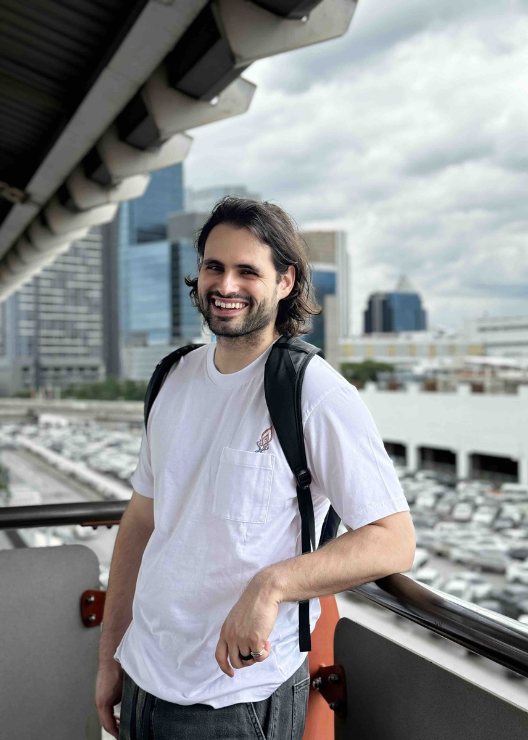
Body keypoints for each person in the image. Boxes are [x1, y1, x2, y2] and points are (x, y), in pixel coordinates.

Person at [95, 197, 415, 739]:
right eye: (214, 266)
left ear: (285, 282)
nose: (226, 285)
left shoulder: (313, 391)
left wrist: (272, 586)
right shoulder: (172, 378)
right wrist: (111, 656)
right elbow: (142, 524)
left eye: (248, 271)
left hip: (237, 696)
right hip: (145, 676)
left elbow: (393, 540)